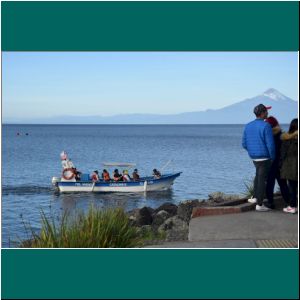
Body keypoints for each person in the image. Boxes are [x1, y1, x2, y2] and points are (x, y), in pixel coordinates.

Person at [242, 104, 275, 212]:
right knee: (262, 180)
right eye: (266, 111)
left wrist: (252, 152)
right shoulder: (266, 126)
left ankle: (256, 197)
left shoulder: (248, 125)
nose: (267, 112)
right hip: (265, 157)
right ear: (262, 113)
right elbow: (270, 145)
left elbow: (244, 144)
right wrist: (273, 157)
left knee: (258, 176)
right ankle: (259, 204)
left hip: (254, 157)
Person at [264, 116, 290, 209]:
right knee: (283, 184)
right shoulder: (281, 135)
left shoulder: (268, 136)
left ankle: (271, 203)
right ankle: (288, 202)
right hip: (280, 163)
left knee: (270, 183)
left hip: (271, 162)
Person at [280, 118, 298, 214]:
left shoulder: (286, 139)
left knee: (292, 187)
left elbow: (283, 154)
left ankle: (292, 206)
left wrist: (280, 165)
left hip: (290, 166)